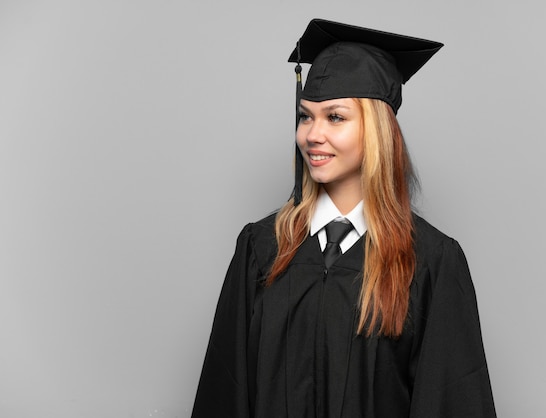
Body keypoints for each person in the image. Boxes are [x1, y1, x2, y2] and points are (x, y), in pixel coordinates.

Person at [191, 18, 497, 418]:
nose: (312, 134)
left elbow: (450, 400)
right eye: (305, 116)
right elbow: (224, 392)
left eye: (335, 117)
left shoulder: (432, 262)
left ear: (377, 131)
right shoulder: (261, 248)